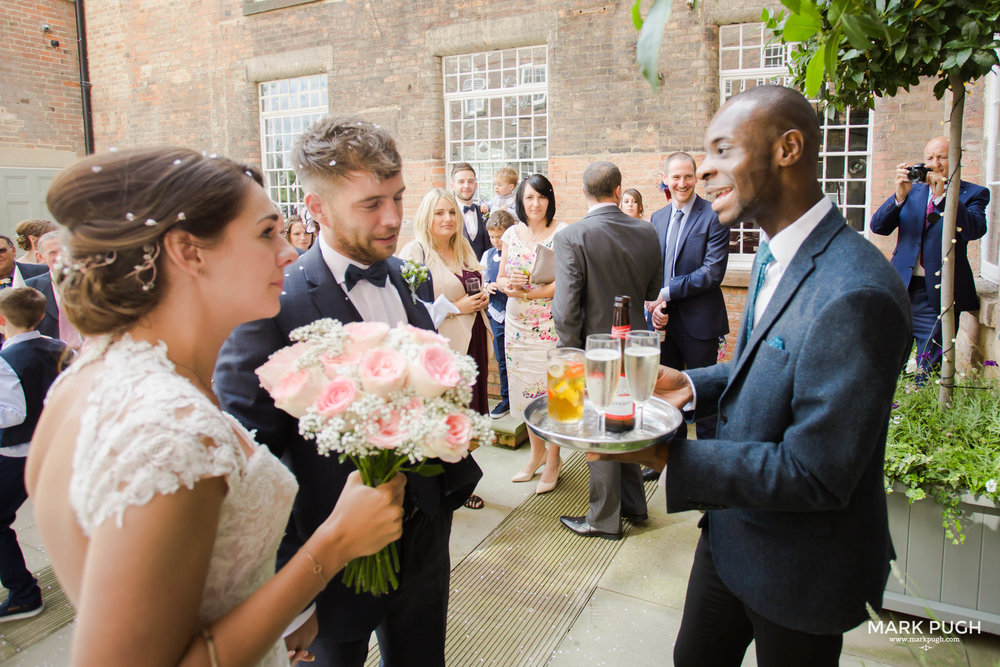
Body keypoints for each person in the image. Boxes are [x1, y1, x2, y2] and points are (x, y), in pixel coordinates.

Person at [25, 146, 407, 666]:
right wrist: (335, 543)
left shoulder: (92, 376)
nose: (288, 251)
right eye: (265, 232)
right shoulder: (168, 428)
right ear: (189, 251)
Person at [593, 85, 912, 666]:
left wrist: (664, 453)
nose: (704, 168)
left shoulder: (858, 292)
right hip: (730, 534)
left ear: (788, 148)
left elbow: (815, 473)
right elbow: (761, 366)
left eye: (722, 149)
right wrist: (687, 384)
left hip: (801, 567)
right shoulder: (771, 252)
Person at [215, 117, 482, 667]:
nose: (392, 218)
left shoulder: (405, 276)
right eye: (370, 204)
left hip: (425, 550)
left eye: (398, 198)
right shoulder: (273, 305)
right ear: (316, 208)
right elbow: (248, 467)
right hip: (331, 575)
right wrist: (287, 602)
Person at [551, 161, 662, 540]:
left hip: (595, 348)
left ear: (584, 192)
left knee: (599, 430)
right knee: (624, 420)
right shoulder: (647, 231)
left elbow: (566, 308)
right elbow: (651, 293)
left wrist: (569, 353)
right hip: (636, 347)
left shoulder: (572, 236)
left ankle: (603, 518)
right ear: (618, 191)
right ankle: (634, 506)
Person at [397, 189, 490, 513]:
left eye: (451, 212)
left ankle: (461, 478)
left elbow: (473, 285)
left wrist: (481, 299)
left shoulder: (462, 246)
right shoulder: (416, 251)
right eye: (439, 213)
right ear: (426, 216)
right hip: (443, 348)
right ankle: (445, 484)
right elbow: (410, 307)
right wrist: (455, 307)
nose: (448, 219)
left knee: (469, 412)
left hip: (473, 339)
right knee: (444, 413)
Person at [869, 136, 989, 376]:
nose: (935, 163)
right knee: (887, 366)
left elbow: (975, 229)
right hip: (901, 289)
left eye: (942, 157)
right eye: (930, 158)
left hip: (939, 294)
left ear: (956, 159)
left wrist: (944, 197)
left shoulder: (972, 193)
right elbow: (878, 227)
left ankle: (924, 412)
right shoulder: (912, 191)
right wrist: (899, 197)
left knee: (929, 370)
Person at [647, 152, 730, 441]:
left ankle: (708, 467)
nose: (682, 183)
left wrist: (665, 292)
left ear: (695, 177)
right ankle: (672, 462)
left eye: (688, 176)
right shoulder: (656, 218)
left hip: (699, 323)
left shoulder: (714, 215)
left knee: (702, 398)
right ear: (665, 179)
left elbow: (712, 272)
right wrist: (653, 304)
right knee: (667, 398)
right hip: (664, 323)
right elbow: (653, 269)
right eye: (676, 177)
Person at [0, 287, 69, 622]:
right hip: (54, 443)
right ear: (42, 315)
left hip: (16, 451)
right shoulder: (60, 348)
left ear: (2, 321)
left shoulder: (5, 359)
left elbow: (12, 414)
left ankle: (23, 595)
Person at [498, 174, 566, 494]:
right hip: (517, 326)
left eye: (541, 197)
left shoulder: (562, 233)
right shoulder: (511, 234)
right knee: (526, 391)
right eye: (529, 198)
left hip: (549, 324)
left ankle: (554, 458)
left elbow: (563, 282)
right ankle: (536, 455)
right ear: (521, 202)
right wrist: (507, 287)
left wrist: (528, 294)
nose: (535, 204)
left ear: (549, 199)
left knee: (551, 394)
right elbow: (499, 278)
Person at [481, 210, 517, 420]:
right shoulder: (487, 256)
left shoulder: (516, 254)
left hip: (515, 313)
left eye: (499, 237)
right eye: (492, 237)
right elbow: (482, 279)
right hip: (496, 314)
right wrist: (487, 286)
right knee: (502, 360)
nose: (496, 241)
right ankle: (506, 399)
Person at [25, 231, 83, 347]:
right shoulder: (30, 288)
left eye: (63, 251)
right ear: (40, 257)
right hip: (49, 356)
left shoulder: (89, 282)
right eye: (52, 253)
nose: (59, 257)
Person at [450, 162, 490, 258]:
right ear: (452, 186)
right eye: (461, 182)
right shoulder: (448, 214)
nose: (466, 186)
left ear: (475, 185)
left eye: (470, 181)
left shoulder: (484, 212)